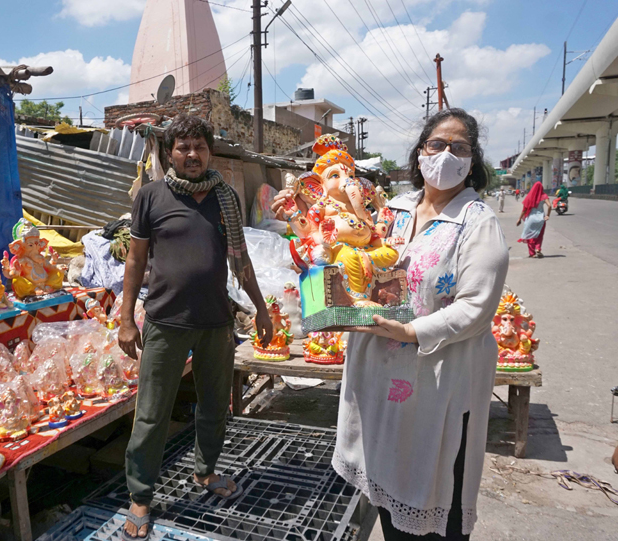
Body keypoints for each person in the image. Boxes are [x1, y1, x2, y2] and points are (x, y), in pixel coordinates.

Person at [272, 108, 508, 540]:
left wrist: (412, 331)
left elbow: (476, 307)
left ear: (472, 161)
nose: (446, 154)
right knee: (385, 493)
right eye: (437, 144)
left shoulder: (477, 222)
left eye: (459, 147)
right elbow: (340, 251)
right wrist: (306, 239)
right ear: (420, 153)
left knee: (434, 501)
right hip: (380, 382)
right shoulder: (393, 210)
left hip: (437, 387)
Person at [118, 115, 273, 540]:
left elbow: (240, 260)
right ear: (170, 153)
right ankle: (141, 496)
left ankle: (205, 472)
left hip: (216, 322)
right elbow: (135, 260)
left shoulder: (225, 198)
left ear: (210, 151)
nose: (192, 154)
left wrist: (261, 308)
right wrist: (127, 316)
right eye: (183, 147)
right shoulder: (151, 196)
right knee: (151, 413)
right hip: (165, 322)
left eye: (199, 147)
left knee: (212, 405)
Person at [517, 181, 552, 258]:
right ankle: (538, 248)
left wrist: (519, 219)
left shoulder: (529, 197)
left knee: (530, 236)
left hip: (530, 219)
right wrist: (548, 215)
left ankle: (532, 253)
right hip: (540, 219)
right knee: (539, 235)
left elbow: (524, 209)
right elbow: (549, 206)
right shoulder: (544, 195)